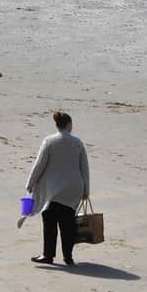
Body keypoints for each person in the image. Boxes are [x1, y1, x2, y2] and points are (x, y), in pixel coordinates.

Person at [26, 112, 90, 266]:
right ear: (69, 125)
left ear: (57, 125)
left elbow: (39, 165)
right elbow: (84, 168)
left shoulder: (49, 141)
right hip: (73, 189)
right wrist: (86, 191)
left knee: (50, 223)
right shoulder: (78, 143)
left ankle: (48, 255)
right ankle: (68, 257)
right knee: (68, 223)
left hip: (52, 190)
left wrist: (30, 183)